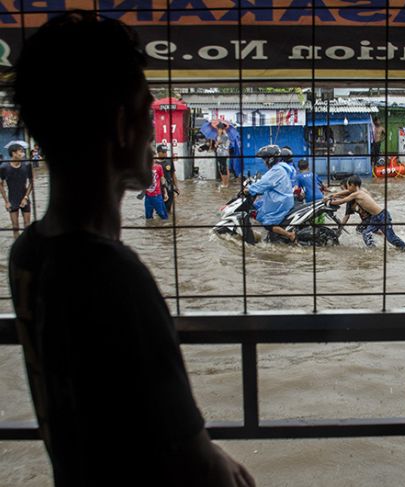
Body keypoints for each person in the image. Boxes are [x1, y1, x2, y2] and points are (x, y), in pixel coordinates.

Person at [8, 12, 254, 487]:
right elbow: (198, 466)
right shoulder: (112, 273)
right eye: (147, 110)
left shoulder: (28, 252)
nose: (156, 134)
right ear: (123, 123)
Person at [328, 175, 405, 250]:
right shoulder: (361, 191)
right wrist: (333, 195)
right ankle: (373, 249)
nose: (347, 188)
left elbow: (343, 200)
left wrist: (330, 202)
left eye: (348, 186)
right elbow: (346, 193)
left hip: (382, 216)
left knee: (391, 238)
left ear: (352, 185)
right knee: (366, 233)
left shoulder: (357, 194)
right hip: (375, 217)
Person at [244, 144, 296, 242]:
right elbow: (265, 181)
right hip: (281, 199)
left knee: (267, 223)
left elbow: (263, 184)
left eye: (264, 159)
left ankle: (290, 235)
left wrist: (249, 189)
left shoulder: (276, 170)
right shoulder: (280, 168)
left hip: (281, 202)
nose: (264, 162)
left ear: (270, 159)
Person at [0, 143, 33, 238]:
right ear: (14, 153)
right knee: (15, 227)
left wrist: (26, 198)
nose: (23, 153)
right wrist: (6, 201)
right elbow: (1, 184)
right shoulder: (4, 167)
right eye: (21, 151)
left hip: (25, 198)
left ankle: (27, 247)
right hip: (12, 200)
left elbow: (31, 182)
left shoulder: (27, 165)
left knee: (27, 225)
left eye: (23, 151)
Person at [145, 156, 169, 220]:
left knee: (163, 215)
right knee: (148, 217)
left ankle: (166, 229)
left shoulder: (158, 167)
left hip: (157, 196)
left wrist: (165, 192)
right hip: (147, 196)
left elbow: (162, 179)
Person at [157, 143, 179, 214]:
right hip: (158, 189)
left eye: (166, 152)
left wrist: (176, 187)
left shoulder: (169, 161)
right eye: (163, 152)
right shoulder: (154, 163)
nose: (165, 154)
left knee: (168, 209)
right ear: (159, 152)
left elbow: (173, 174)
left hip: (169, 188)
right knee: (159, 210)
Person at [215, 123, 231, 189]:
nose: (218, 130)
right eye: (218, 129)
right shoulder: (220, 136)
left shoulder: (225, 136)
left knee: (223, 169)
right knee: (222, 168)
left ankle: (225, 184)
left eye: (219, 129)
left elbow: (218, 143)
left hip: (223, 154)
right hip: (220, 154)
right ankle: (224, 183)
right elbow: (216, 145)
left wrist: (217, 143)